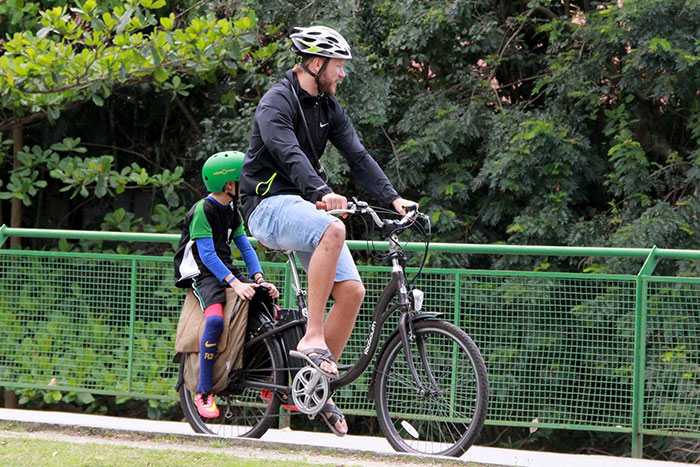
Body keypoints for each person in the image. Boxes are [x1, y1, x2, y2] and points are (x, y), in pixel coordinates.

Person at [240, 26, 416, 436]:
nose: (341, 74)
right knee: (333, 229)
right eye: (338, 66)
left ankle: (313, 386)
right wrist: (322, 192)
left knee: (353, 292)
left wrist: (393, 200)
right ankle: (311, 336)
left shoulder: (328, 108)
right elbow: (290, 154)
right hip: (266, 207)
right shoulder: (276, 103)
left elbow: (357, 155)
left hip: (302, 207)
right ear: (316, 63)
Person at [174, 150, 279, 419]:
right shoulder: (203, 210)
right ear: (228, 184)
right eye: (242, 179)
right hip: (201, 272)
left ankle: (268, 380)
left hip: (223, 268)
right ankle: (203, 391)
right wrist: (234, 283)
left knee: (267, 305)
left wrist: (258, 279)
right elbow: (207, 255)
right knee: (215, 321)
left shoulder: (233, 209)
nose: (247, 184)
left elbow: (244, 246)